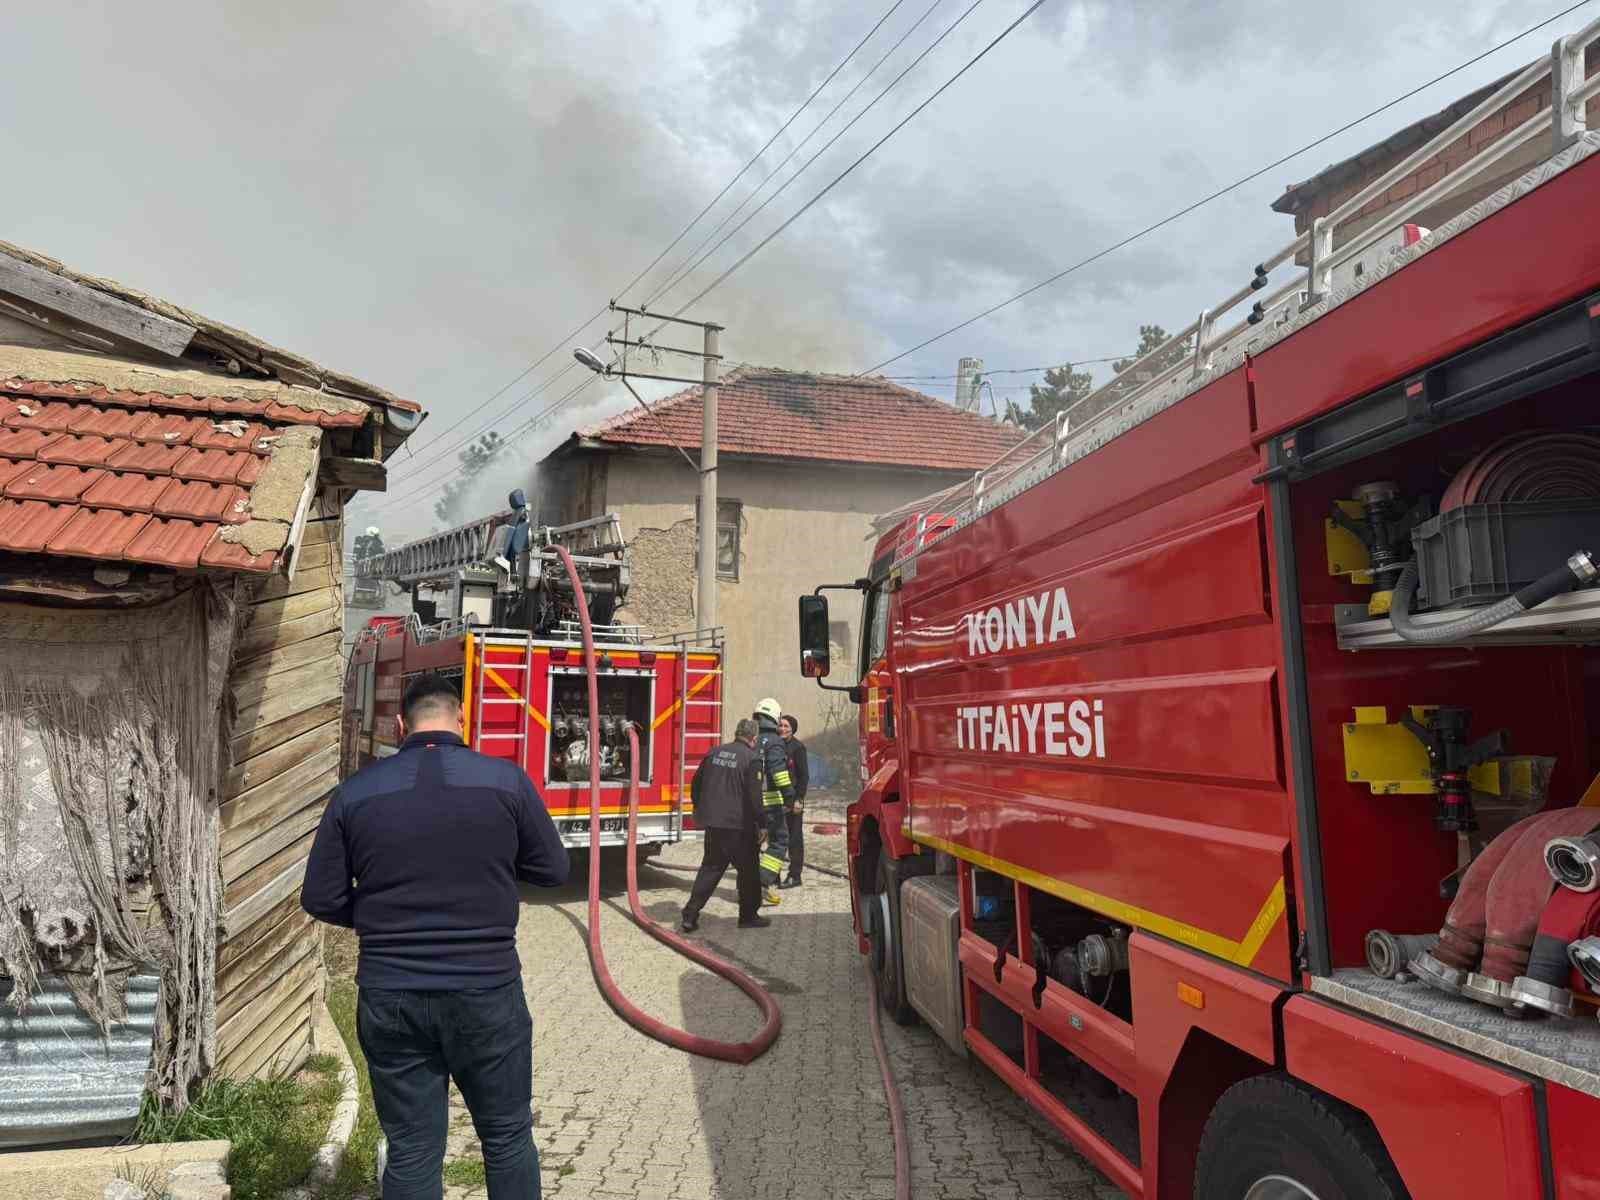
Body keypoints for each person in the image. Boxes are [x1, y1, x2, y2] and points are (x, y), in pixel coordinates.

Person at [301, 672, 568, 1200]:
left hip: (392, 995)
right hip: (486, 993)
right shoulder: (507, 782)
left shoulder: (355, 793)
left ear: (402, 725)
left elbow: (320, 897)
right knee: (508, 1138)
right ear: (462, 720)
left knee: (412, 1149)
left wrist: (383, 917)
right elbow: (553, 869)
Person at [679, 718, 770, 933]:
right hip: (739, 827)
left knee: (710, 869)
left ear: (737, 733)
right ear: (753, 738)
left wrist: (698, 807)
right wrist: (763, 824)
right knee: (749, 872)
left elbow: (696, 783)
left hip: (714, 823)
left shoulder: (714, 752)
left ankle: (690, 914)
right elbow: (755, 797)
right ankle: (748, 916)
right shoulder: (752, 759)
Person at [753, 697, 796, 905]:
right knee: (779, 842)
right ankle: (760, 884)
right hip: (771, 805)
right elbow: (778, 773)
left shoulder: (751, 740)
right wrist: (789, 795)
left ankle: (746, 886)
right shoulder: (776, 742)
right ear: (775, 718)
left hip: (750, 804)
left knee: (751, 844)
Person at [778, 714, 809, 889]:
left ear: (793, 729)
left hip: (793, 801)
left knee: (794, 839)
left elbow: (804, 776)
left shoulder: (798, 748)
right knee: (777, 838)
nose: (782, 729)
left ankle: (794, 875)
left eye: (786, 726)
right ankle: (773, 875)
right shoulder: (775, 745)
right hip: (777, 800)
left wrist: (799, 799)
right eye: (780, 726)